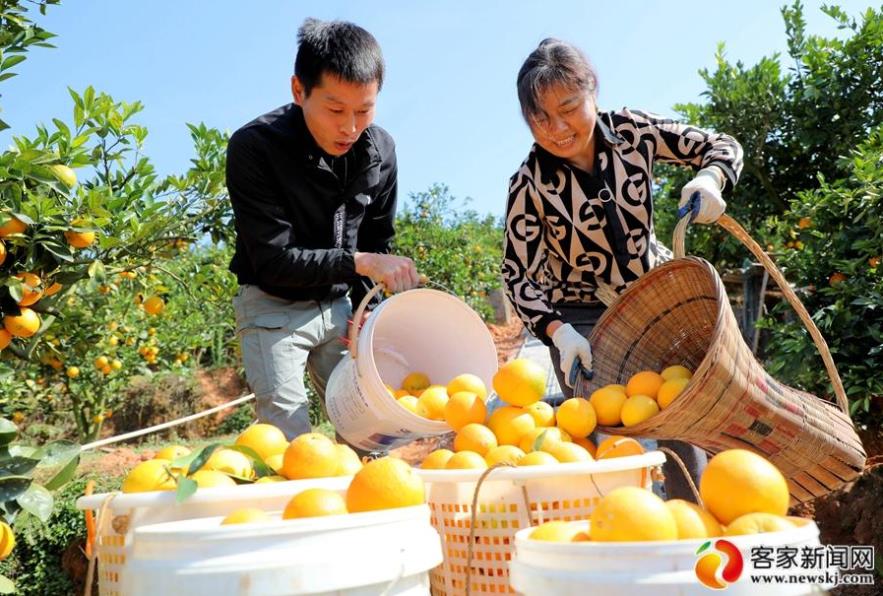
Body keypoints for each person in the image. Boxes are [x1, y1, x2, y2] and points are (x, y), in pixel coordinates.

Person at [503, 38, 743, 501]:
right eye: (540, 119)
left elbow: (721, 145)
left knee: (679, 414)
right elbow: (519, 274)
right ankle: (618, 533)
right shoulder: (528, 184)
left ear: (592, 91)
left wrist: (710, 178)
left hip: (655, 302)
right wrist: (558, 331)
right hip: (582, 319)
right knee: (602, 426)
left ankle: (690, 524)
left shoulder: (633, 132)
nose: (558, 128)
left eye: (569, 107)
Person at [226, 18, 419, 442]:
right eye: (335, 110)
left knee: (368, 428)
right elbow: (274, 261)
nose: (350, 127)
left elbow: (376, 239)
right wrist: (362, 263)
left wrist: (364, 308)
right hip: (272, 306)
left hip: (338, 307)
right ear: (299, 91)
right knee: (288, 437)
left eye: (364, 110)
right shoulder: (255, 148)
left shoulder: (380, 151)